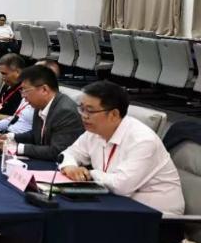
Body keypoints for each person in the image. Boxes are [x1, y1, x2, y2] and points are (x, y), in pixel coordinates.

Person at [60, 81, 184, 219]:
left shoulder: (143, 140)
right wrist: (70, 166)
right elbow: (69, 153)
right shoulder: (94, 131)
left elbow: (121, 186)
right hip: (118, 203)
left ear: (114, 114)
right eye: (81, 108)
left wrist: (90, 174)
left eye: (90, 110)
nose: (84, 115)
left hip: (157, 215)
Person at [0, 64, 83, 161]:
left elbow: (57, 151)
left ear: (44, 90)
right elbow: (36, 134)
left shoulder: (66, 111)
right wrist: (9, 137)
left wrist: (17, 148)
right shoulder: (40, 105)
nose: (23, 96)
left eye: (25, 90)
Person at [0, 59, 58, 135]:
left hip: (10, 134)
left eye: (4, 73)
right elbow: (2, 106)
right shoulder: (8, 86)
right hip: (3, 130)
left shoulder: (28, 94)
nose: (2, 77)